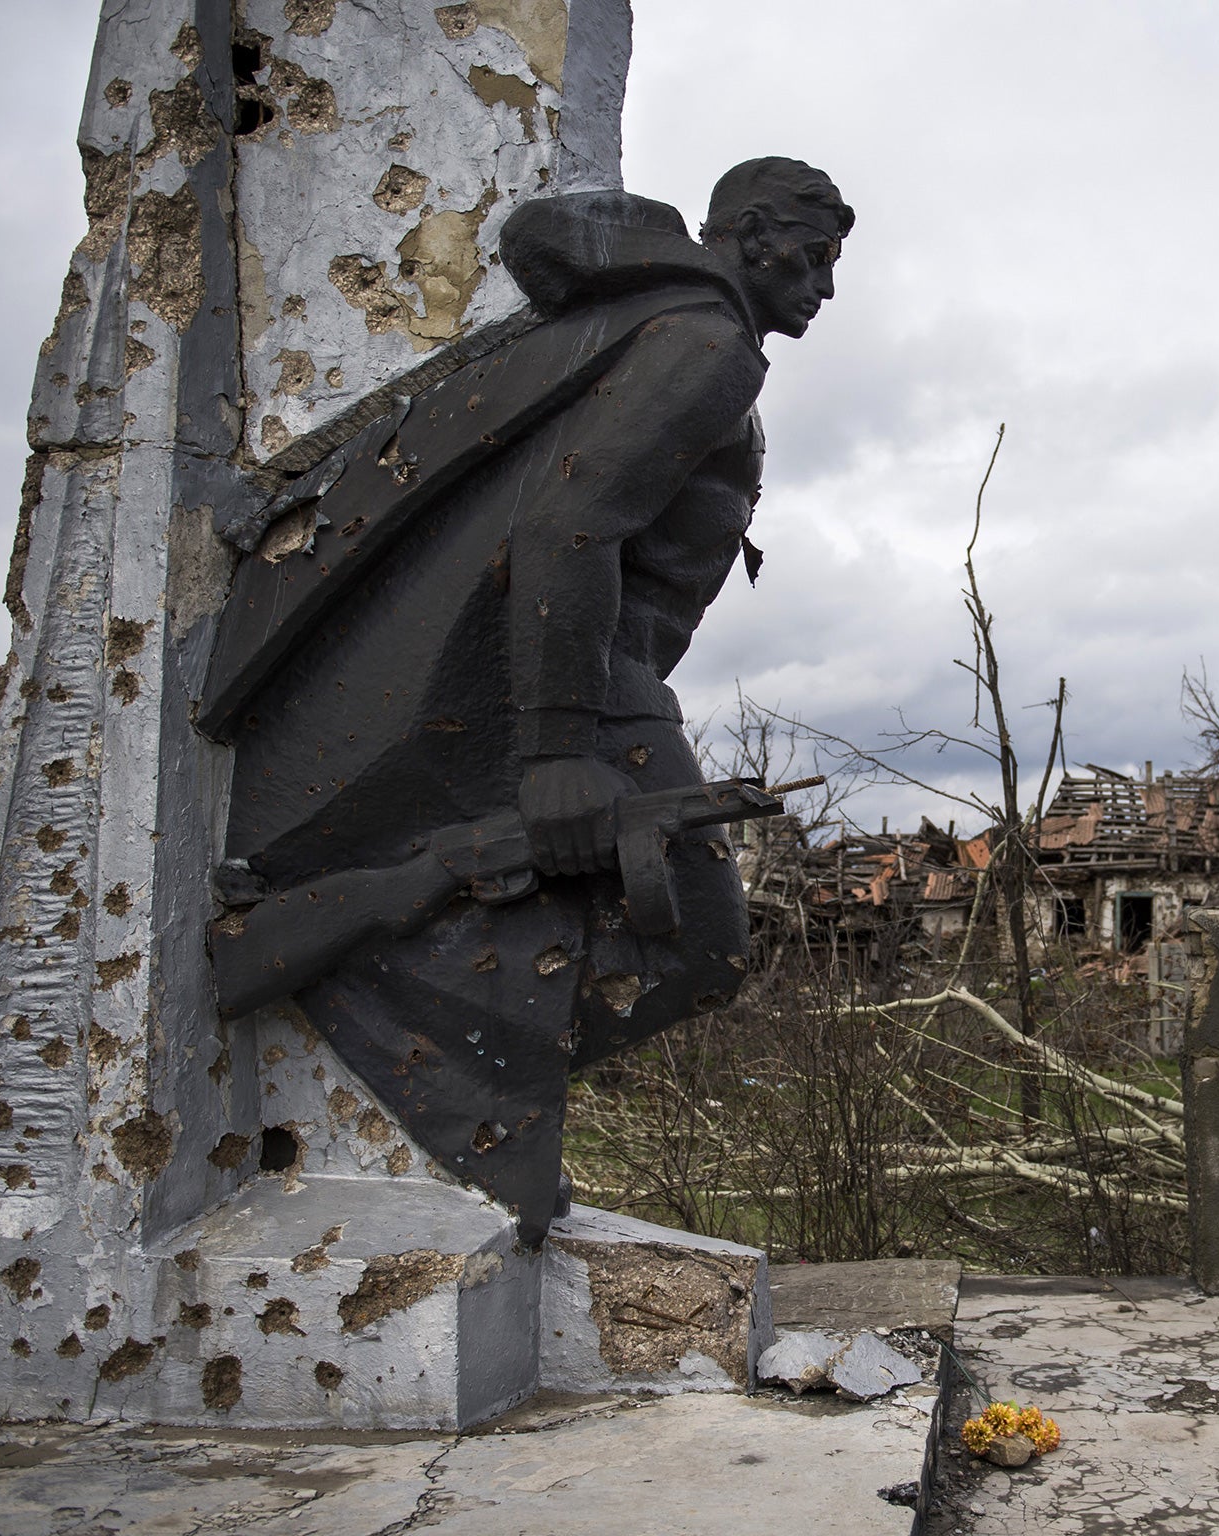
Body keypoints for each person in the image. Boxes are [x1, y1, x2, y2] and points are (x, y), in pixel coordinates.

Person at [217, 159, 851, 1240]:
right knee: (703, 948)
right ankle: (462, 1093)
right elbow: (568, 526)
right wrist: (554, 749)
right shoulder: (705, 344)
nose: (825, 291)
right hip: (592, 687)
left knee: (662, 934)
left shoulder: (658, 320)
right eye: (819, 257)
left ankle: (454, 1043)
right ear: (754, 233)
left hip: (609, 682)